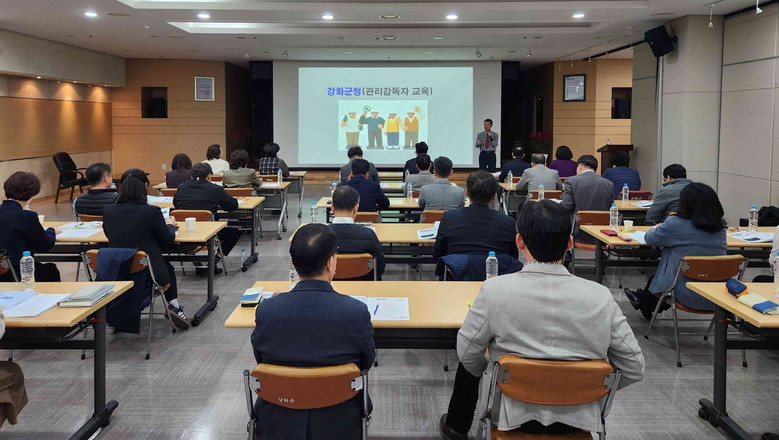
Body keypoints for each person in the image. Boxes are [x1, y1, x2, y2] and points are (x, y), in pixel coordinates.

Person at [439, 200, 644, 440]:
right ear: (569, 244)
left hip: (509, 415)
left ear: (519, 242)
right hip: (579, 418)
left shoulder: (494, 291)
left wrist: (489, 374)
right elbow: (634, 366)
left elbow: (467, 352)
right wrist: (593, 387)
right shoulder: (601, 296)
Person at [250, 224, 375, 440]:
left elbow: (261, 358)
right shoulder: (356, 311)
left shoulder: (267, 310)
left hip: (279, 411)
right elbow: (365, 363)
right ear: (330, 263)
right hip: (340, 413)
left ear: (293, 263)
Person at [623, 183, 727, 318]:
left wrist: (657, 228)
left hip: (687, 293)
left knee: (660, 281)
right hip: (718, 294)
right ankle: (642, 299)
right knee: (660, 280)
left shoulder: (676, 223)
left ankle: (643, 301)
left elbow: (650, 238)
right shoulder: (720, 226)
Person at [103, 169, 189, 329]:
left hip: (117, 269)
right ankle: (174, 306)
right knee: (167, 267)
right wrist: (170, 225)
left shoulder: (108, 210)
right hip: (147, 271)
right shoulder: (151, 211)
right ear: (143, 188)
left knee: (160, 263)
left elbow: (109, 235)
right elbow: (167, 239)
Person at [433, 170, 518, 260]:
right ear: (494, 196)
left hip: (458, 268)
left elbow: (438, 254)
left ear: (467, 193)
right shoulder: (508, 222)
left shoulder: (450, 218)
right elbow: (513, 258)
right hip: (496, 269)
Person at [173, 163, 243, 262]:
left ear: (191, 175)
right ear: (209, 176)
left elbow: (176, 204)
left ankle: (192, 257)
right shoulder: (214, 189)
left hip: (185, 230)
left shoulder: (181, 187)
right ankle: (217, 257)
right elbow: (233, 205)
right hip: (209, 231)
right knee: (236, 232)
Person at [0, 172, 61, 282]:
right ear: (31, 195)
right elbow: (44, 246)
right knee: (51, 270)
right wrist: (51, 231)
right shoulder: (27, 216)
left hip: (3, 271)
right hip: (19, 273)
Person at [329, 186, 385, 280]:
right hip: (363, 285)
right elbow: (380, 268)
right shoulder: (368, 235)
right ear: (356, 208)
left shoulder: (321, 236)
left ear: (332, 208)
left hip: (330, 286)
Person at [560, 155, 614, 243]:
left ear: (580, 166)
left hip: (577, 231)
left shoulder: (571, 181)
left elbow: (567, 206)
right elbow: (611, 207)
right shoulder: (608, 184)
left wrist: (555, 204)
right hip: (602, 233)